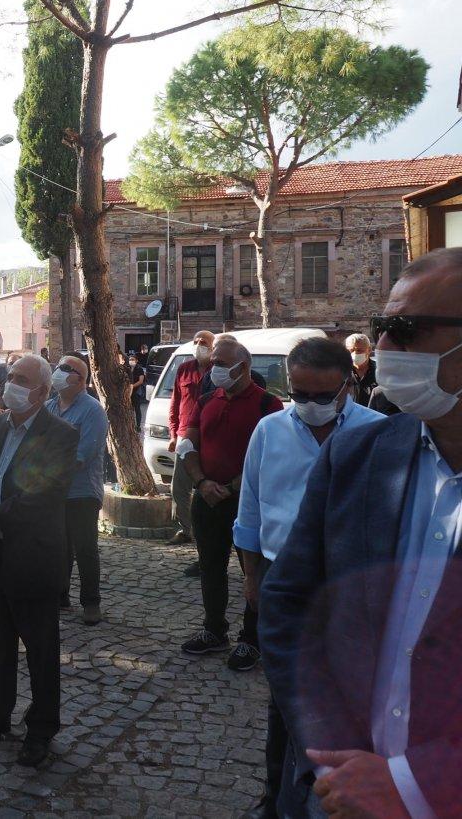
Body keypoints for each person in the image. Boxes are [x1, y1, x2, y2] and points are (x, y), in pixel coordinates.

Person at [261, 247, 462, 819]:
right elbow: (290, 603)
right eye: (380, 329)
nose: (383, 350)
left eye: (405, 330)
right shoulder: (358, 456)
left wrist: (415, 783)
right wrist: (328, 752)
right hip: (331, 791)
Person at [233, 337, 385, 819]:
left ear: (347, 385)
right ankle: (277, 794)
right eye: (300, 394)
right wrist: (253, 578)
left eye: (323, 396)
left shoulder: (380, 433)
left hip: (350, 580)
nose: (311, 406)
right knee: (284, 697)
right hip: (283, 577)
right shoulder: (269, 431)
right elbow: (250, 513)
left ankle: (340, 788)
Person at [0, 355, 78, 769]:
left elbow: (43, 492)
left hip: (30, 555)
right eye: (10, 377)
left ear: (42, 391)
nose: (12, 385)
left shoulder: (60, 434)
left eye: (21, 380)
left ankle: (41, 729)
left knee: (40, 649)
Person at [176, 339, 282, 666]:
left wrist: (235, 486)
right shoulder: (206, 399)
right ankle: (214, 630)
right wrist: (202, 482)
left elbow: (270, 456)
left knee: (254, 572)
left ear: (243, 366)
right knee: (211, 567)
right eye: (213, 363)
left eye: (221, 363)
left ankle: (251, 639)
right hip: (207, 500)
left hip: (247, 504)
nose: (214, 369)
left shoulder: (268, 404)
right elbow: (186, 444)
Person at [47, 355, 110, 625]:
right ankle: (59, 595)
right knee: (58, 546)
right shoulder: (50, 407)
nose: (58, 372)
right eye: (58, 367)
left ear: (80, 379)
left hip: (82, 491)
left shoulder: (93, 410)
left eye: (65, 369)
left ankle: (91, 602)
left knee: (85, 547)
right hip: (53, 491)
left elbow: (84, 453)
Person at [167, 330, 215, 553]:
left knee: (206, 485)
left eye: (203, 342)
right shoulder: (184, 369)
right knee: (179, 487)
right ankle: (186, 529)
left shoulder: (219, 370)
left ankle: (209, 531)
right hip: (185, 436)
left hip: (210, 437)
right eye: (195, 342)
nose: (198, 345)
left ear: (212, 346)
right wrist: (173, 434)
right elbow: (175, 403)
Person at [345, 331, 378, 407]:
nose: (355, 354)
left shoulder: (379, 371)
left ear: (369, 350)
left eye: (359, 350)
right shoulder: (342, 372)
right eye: (351, 350)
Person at [127, 352, 147, 429]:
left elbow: (141, 381)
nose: (131, 361)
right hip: (128, 392)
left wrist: (131, 386)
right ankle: (130, 426)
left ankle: (138, 426)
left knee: (137, 409)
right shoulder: (127, 368)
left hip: (136, 392)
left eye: (133, 359)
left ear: (136, 360)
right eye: (130, 359)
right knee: (129, 409)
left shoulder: (139, 369)